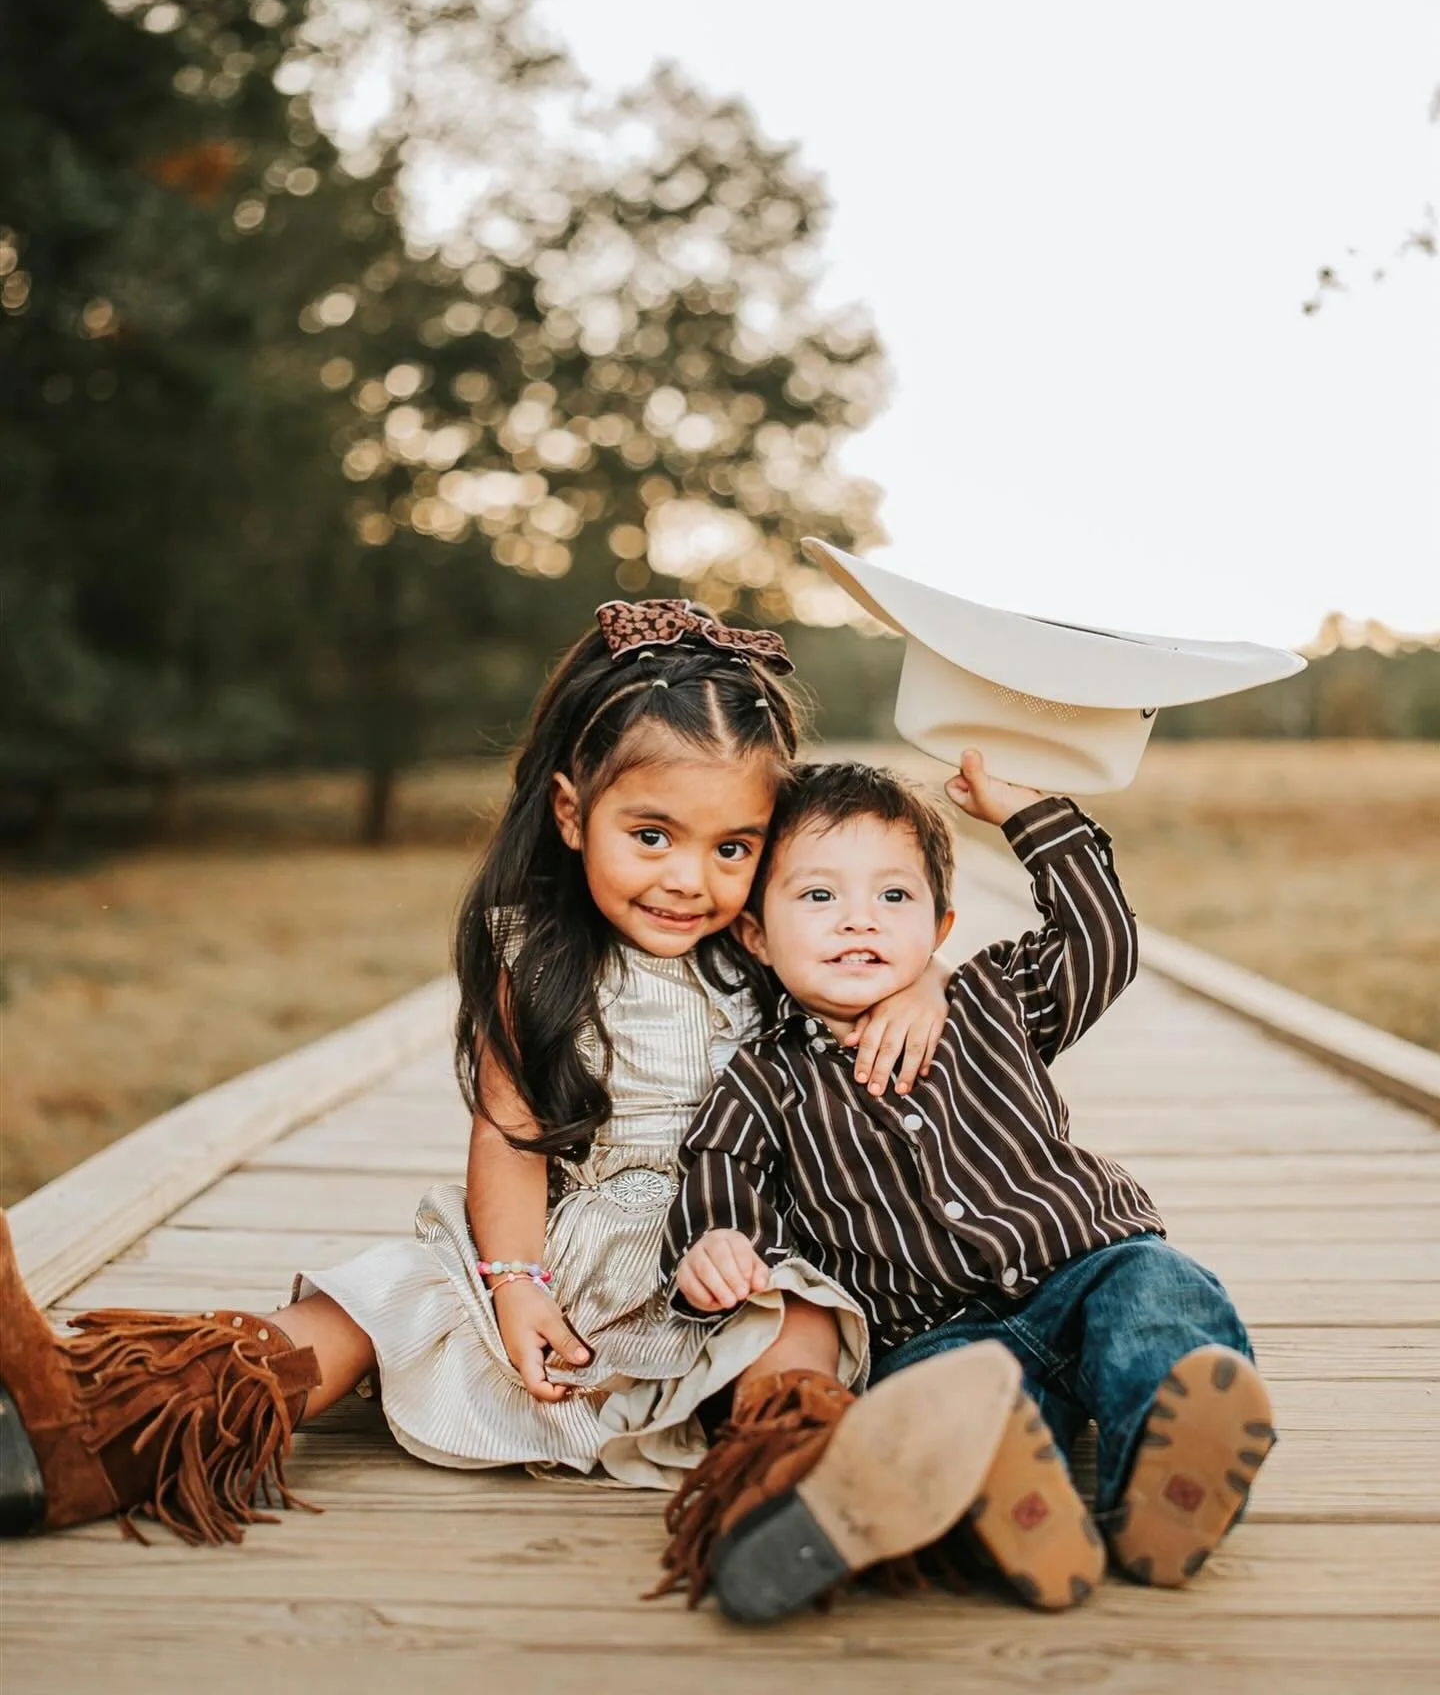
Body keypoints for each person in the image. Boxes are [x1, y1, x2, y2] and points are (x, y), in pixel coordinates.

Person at [0, 599, 972, 1545]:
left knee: (801, 1319)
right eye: (652, 836)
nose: (689, 878)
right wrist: (514, 1283)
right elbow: (509, 1137)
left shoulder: (769, 944)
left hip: (731, 1253)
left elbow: (872, 944)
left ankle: (793, 1480)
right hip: (572, 1254)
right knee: (373, 1299)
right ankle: (91, 1439)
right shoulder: (539, 962)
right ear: (572, 812)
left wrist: (924, 979)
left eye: (733, 847)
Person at [659, 754, 1276, 1621]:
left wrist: (1029, 815)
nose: (860, 920)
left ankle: (1166, 1488)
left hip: (1086, 1263)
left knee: (1162, 1296)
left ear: (941, 925)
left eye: (894, 896)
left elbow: (1101, 941)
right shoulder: (765, 1080)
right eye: (819, 896)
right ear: (755, 935)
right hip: (932, 1332)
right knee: (941, 1421)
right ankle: (1017, 1509)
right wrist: (719, 1242)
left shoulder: (991, 998)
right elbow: (721, 1169)